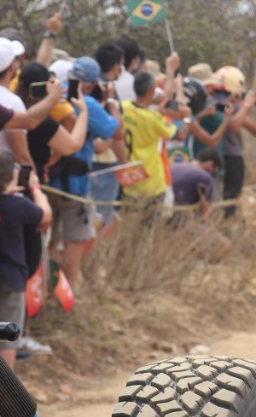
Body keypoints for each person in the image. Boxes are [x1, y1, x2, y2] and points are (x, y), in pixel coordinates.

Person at [0, 145, 51, 368]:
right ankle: (4, 396)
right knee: (7, 339)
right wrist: (35, 188)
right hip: (12, 281)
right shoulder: (19, 205)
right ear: (10, 176)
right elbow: (45, 216)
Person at [48, 56, 120, 287]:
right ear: (90, 83)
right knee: (75, 242)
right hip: (75, 188)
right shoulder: (86, 104)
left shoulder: (54, 99)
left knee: (50, 241)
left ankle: (47, 289)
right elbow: (112, 129)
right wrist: (112, 103)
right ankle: (67, 294)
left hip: (49, 183)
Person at [16, 61, 88, 184]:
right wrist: (83, 112)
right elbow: (73, 145)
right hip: (31, 185)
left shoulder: (12, 108)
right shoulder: (41, 122)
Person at [120, 70, 177, 211]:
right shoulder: (153, 119)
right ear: (151, 91)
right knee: (149, 229)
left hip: (129, 178)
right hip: (151, 182)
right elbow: (178, 134)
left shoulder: (123, 107)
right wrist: (187, 119)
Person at [210, 66, 256, 211]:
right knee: (230, 202)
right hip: (231, 158)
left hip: (211, 157)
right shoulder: (233, 106)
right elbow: (255, 130)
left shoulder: (210, 100)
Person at [169, 147, 221, 217]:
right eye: (214, 172)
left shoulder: (176, 165)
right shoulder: (205, 177)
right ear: (209, 164)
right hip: (178, 215)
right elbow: (206, 212)